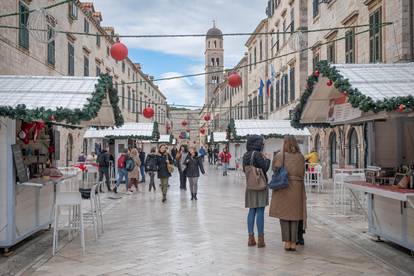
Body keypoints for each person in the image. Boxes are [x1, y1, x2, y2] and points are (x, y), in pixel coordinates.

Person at [269, 135, 307, 252]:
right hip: (297, 188)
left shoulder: (280, 155)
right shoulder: (301, 157)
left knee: (284, 216)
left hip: (284, 187)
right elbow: (303, 172)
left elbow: (274, 169)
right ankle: (294, 243)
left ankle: (287, 242)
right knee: (295, 216)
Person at [243, 135, 271, 248]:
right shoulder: (258, 154)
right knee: (260, 211)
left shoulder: (245, 155)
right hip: (260, 185)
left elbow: (244, 170)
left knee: (251, 211)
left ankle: (250, 238)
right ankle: (261, 239)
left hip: (250, 186)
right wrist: (268, 159)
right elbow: (265, 168)